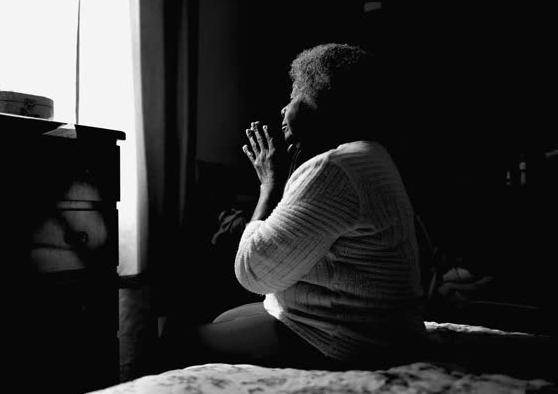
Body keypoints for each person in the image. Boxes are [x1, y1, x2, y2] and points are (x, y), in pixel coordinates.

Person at [157, 43, 427, 371]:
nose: (283, 110)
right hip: (383, 331)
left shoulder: (334, 167)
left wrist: (268, 185)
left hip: (350, 341)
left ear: (323, 98)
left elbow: (253, 271)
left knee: (175, 343)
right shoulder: (372, 156)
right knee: (226, 317)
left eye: (294, 94)